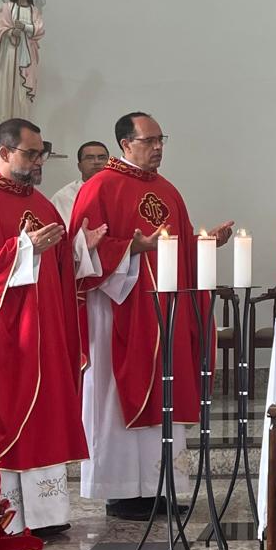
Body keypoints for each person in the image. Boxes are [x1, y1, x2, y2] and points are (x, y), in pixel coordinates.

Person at [0, 118, 103, 535]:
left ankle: (46, 515)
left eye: (41, 152)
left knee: (45, 418)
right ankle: (4, 515)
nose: (38, 160)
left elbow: (60, 265)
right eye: (31, 153)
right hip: (2, 335)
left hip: (43, 333)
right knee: (5, 417)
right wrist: (24, 248)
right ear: (5, 153)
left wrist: (81, 249)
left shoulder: (42, 204)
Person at [70, 112, 233, 520]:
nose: (159, 147)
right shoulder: (100, 187)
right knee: (113, 397)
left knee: (166, 391)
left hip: (165, 312)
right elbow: (78, 253)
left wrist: (205, 244)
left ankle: (159, 488)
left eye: (162, 139)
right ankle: (121, 491)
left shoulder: (167, 191)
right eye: (150, 140)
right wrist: (130, 250)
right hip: (119, 311)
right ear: (126, 144)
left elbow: (179, 250)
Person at [0, 0, 45, 123]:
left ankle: (20, 123)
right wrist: (10, 32)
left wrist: (25, 27)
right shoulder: (8, 7)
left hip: (27, 56)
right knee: (8, 85)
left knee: (22, 90)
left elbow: (40, 29)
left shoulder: (33, 11)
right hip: (11, 53)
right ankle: (4, 122)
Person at [51, 141, 111, 227]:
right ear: (79, 166)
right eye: (89, 158)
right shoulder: (64, 197)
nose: (96, 162)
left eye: (102, 158)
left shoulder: (119, 192)